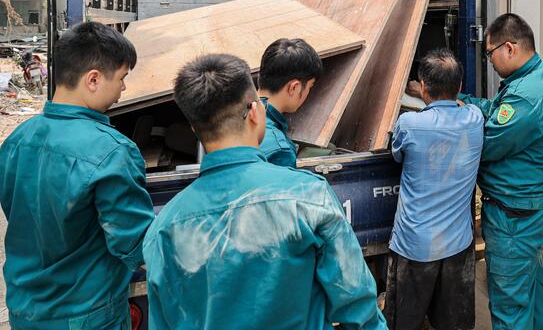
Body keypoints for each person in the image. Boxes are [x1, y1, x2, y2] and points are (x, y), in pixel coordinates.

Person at [142, 53, 386, 330]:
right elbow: (357, 305)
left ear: (194, 129)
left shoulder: (162, 230)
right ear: (255, 113)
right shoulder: (309, 197)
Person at [0, 22, 155, 329]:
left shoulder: (17, 140)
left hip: (25, 310)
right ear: (93, 79)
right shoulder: (112, 152)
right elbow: (135, 245)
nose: (123, 89)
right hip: (88, 314)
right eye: (122, 78)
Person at [460, 14, 543, 330]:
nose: (489, 61)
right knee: (534, 286)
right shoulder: (538, 75)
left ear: (509, 48)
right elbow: (496, 111)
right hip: (534, 206)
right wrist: (459, 100)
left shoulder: (527, 97)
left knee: (510, 304)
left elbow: (486, 145)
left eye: (489, 53)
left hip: (514, 217)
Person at [384, 49, 484, 330]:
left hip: (415, 246)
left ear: (422, 86)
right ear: (460, 86)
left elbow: (397, 155)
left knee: (403, 322)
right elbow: (462, 105)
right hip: (458, 244)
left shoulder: (409, 124)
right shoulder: (475, 118)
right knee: (454, 323)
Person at [258, 38, 322, 167]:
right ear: (294, 87)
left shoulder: (230, 110)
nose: (308, 93)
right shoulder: (279, 151)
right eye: (310, 87)